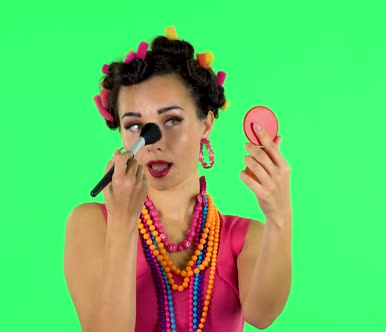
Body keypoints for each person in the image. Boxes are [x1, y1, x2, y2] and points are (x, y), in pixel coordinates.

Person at [64, 26, 293, 332]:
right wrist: (122, 222)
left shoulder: (245, 237)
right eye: (134, 125)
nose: (153, 141)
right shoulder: (92, 224)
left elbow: (262, 316)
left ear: (206, 124)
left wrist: (280, 216)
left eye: (171, 120)